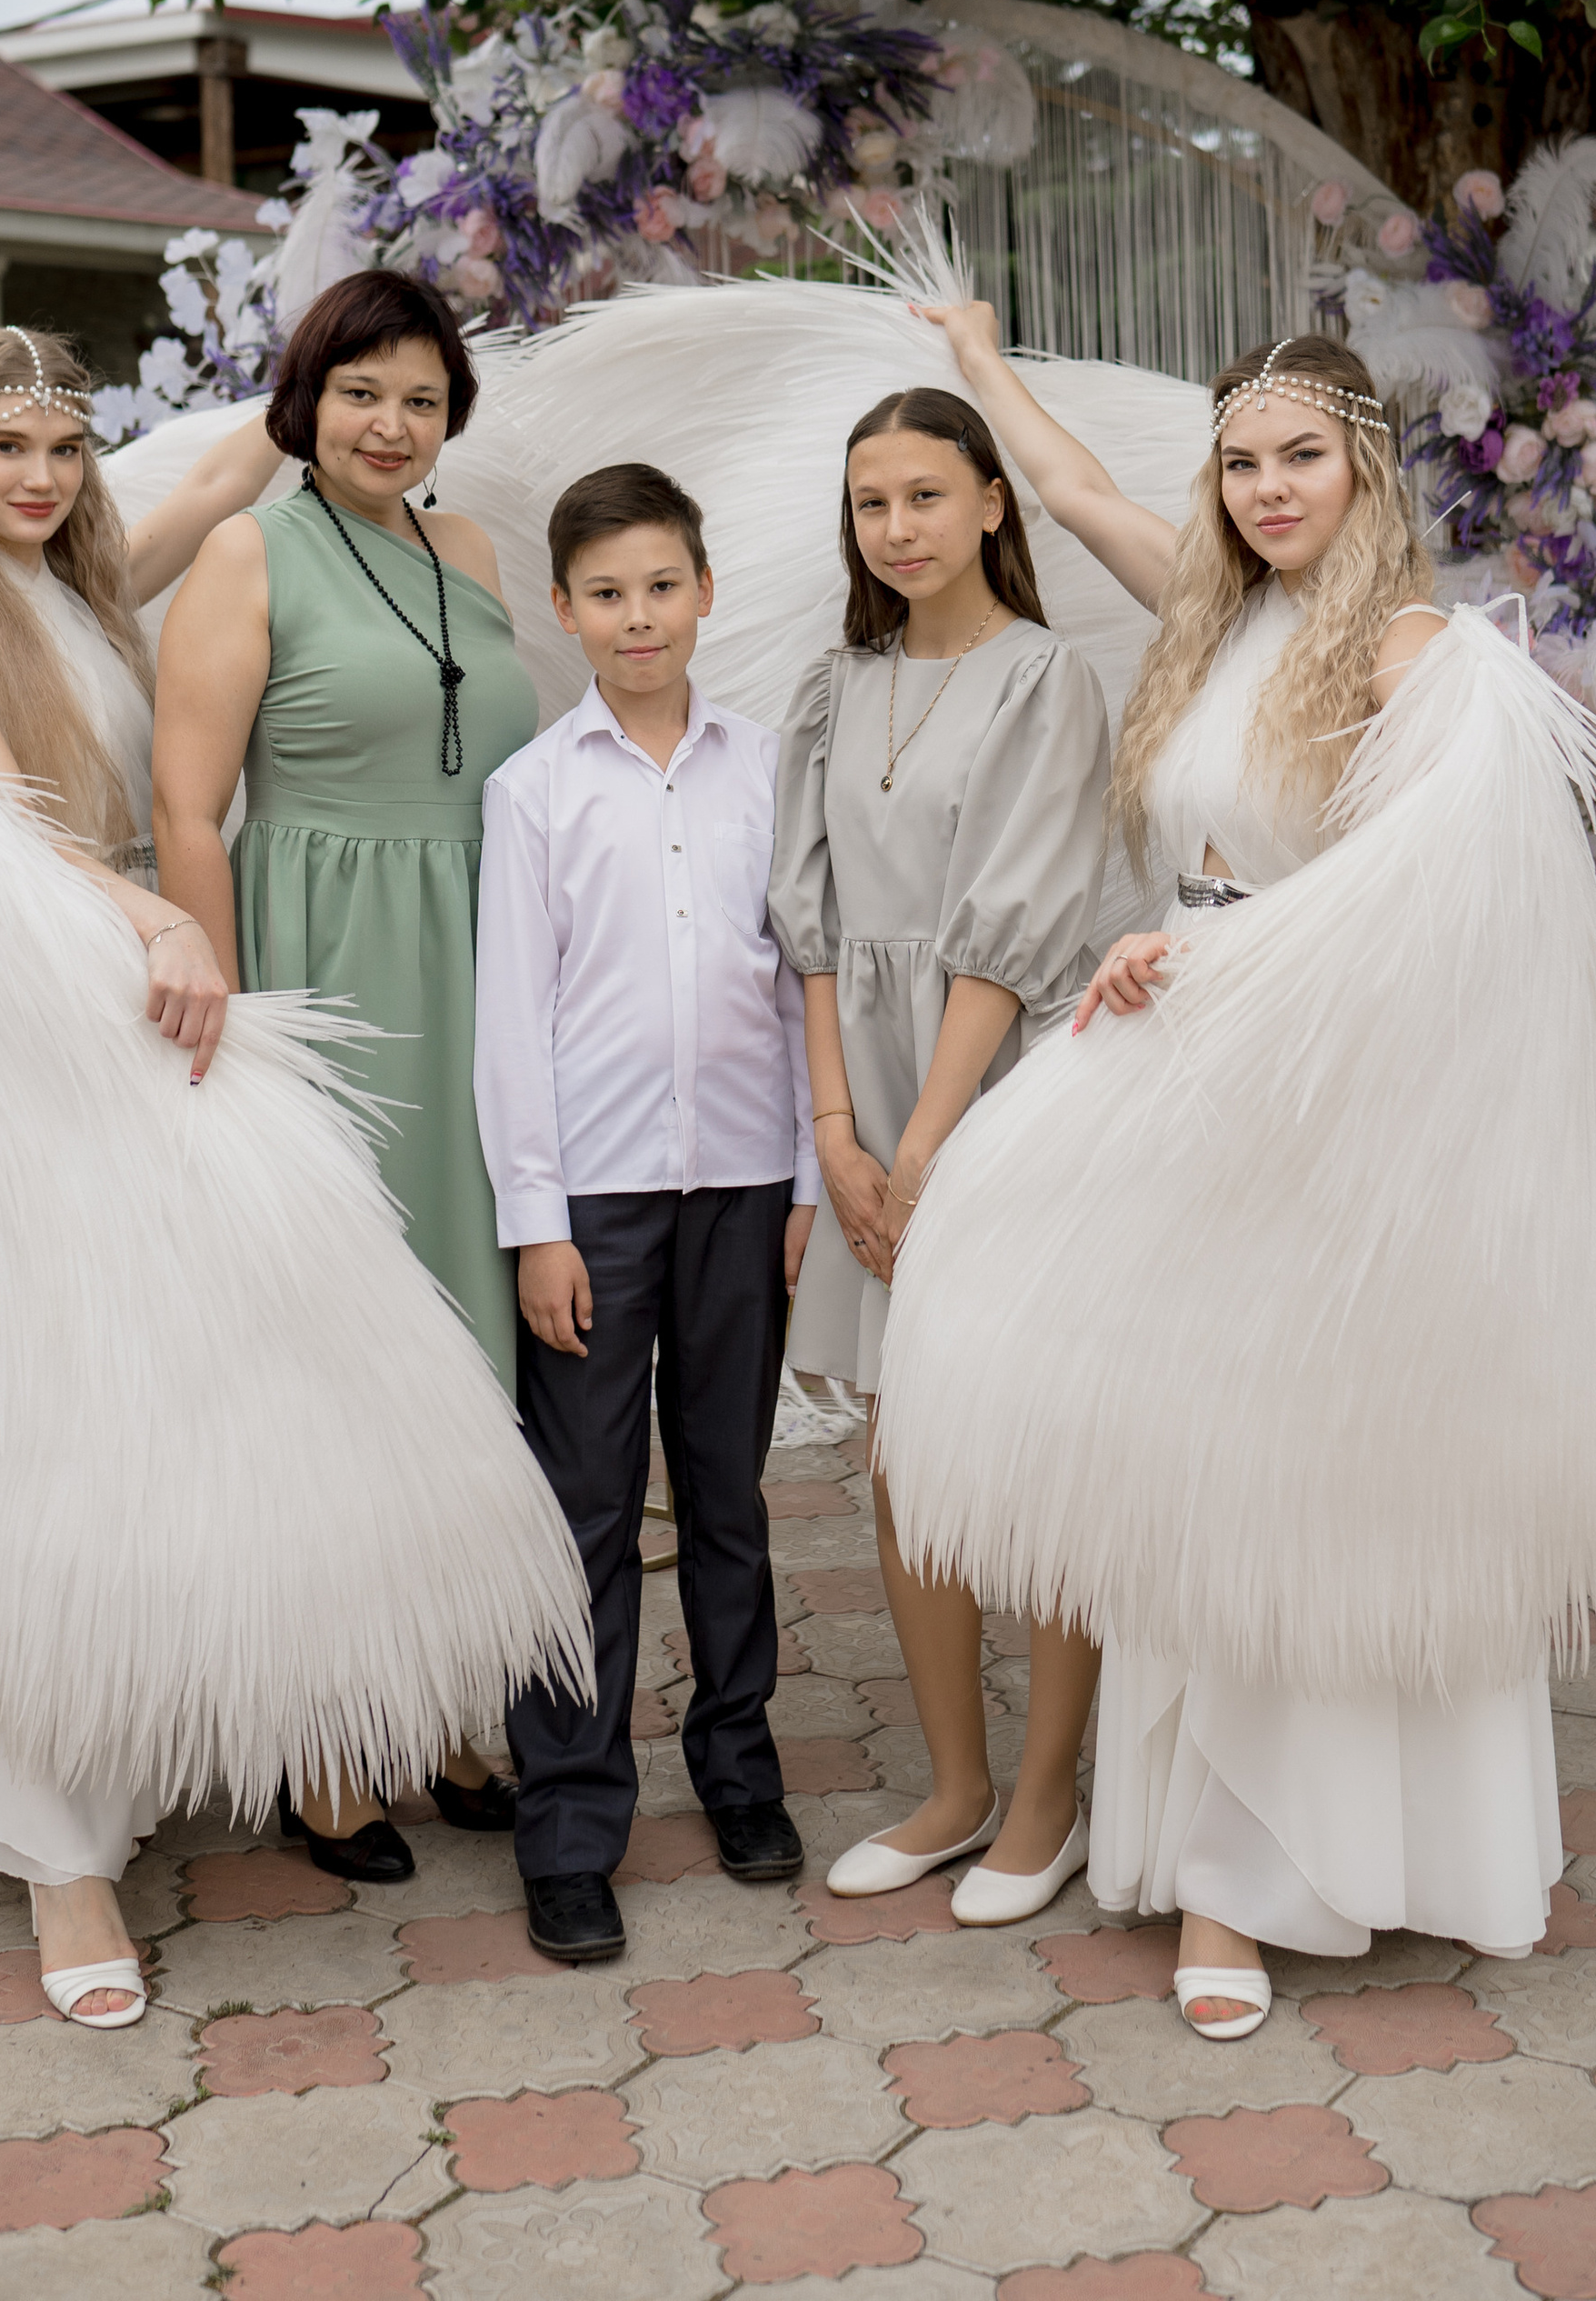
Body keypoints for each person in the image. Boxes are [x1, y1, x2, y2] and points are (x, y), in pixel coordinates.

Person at [0, 326, 588, 2030]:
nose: (40, 477)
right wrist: (168, 919)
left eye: (64, 448)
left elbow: (233, 480)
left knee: (174, 1396)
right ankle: (58, 1858)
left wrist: (330, 372)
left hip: (129, 1007)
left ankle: (190, 1708)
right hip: (46, 1012)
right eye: (7, 447)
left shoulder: (89, 597)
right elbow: (9, 835)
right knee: (41, 1411)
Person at [873, 312, 1596, 2035]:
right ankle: (1183, 1846)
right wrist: (980, 355)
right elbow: (1072, 486)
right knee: (1185, 1455)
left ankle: (1253, 1886)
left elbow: (1442, 917)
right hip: (1186, 1067)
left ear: (1364, 468)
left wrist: (1218, 967)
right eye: (1242, 461)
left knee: (1311, 1471)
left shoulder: (1418, 658)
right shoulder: (1212, 613)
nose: (1267, 489)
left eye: (1300, 456)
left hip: (1331, 1099)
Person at [154, 266, 544, 1867]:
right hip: (332, 971)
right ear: (305, 398)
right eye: (362, 391)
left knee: (475, 1347)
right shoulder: (250, 555)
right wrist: (240, 1039)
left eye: (422, 399)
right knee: (340, 1350)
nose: (391, 424)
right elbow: (190, 811)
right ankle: (325, 1736)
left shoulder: (474, 551)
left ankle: (454, 1703)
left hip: (489, 976)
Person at [770, 386, 1112, 1924]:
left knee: (1020, 1442)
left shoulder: (1047, 681)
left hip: (1004, 1079)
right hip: (872, 1092)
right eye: (870, 503)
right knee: (907, 1451)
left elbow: (1013, 929)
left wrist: (923, 1143)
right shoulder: (834, 689)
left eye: (924, 495)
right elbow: (817, 931)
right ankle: (955, 1786)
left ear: (991, 503)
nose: (896, 527)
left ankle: (1051, 1798)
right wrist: (836, 1136)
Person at [474, 463, 820, 1963]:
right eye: (605, 595)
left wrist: (810, 1173)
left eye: (660, 587)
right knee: (588, 1510)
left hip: (745, 1185)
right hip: (596, 1202)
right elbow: (513, 1017)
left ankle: (739, 1768)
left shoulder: (768, 770)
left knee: (730, 1498)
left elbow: (805, 979)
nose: (636, 617)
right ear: (565, 611)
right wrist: (538, 1221)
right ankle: (567, 1823)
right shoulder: (536, 792)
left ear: (704, 591)